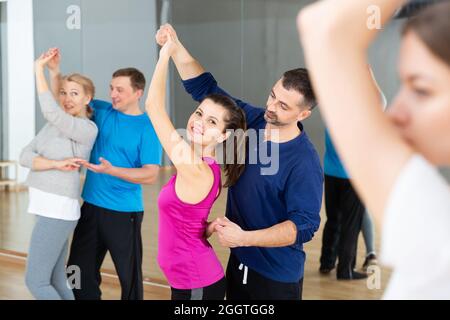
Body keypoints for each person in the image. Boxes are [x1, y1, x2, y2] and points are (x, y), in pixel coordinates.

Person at [156, 24, 323, 300]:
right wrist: (175, 46)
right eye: (273, 96)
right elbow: (206, 88)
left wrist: (246, 237)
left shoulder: (304, 162)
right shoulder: (254, 121)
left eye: (283, 106)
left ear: (303, 114)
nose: (271, 107)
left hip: (274, 276)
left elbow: (305, 225)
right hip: (237, 262)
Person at [298, 0, 450, 299]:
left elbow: (323, 26)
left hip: (337, 175)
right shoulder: (433, 210)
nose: (396, 112)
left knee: (339, 222)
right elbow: (319, 25)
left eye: (420, 89)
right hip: (343, 176)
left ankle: (335, 263)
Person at [145, 34, 246, 300]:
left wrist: (166, 54)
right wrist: (208, 227)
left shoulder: (195, 168)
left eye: (212, 122)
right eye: (200, 113)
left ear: (223, 136)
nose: (200, 121)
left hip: (196, 283)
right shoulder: (205, 165)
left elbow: (153, 106)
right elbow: (189, 221)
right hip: (189, 280)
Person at [56, 61, 163, 299]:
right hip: (91, 208)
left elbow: (150, 173)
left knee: (129, 277)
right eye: (111, 88)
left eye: (120, 90)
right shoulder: (101, 110)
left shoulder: (148, 127)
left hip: (124, 214)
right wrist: (54, 71)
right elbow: (67, 97)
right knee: (76, 269)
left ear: (138, 93)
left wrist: (112, 170)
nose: (113, 94)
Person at [19, 48, 98, 300]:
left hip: (58, 210)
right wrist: (53, 163)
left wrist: (37, 70)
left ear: (88, 98)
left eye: (74, 93)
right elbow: (24, 156)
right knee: (54, 279)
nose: (67, 98)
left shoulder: (85, 129)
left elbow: (50, 110)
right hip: (47, 207)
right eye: (63, 93)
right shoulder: (56, 124)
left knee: (36, 282)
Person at [320, 71, 385, 279]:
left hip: (330, 173)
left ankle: (326, 263)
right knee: (350, 224)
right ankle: (345, 270)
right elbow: (381, 101)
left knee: (332, 219)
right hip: (353, 176)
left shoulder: (332, 108)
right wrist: (368, 74)